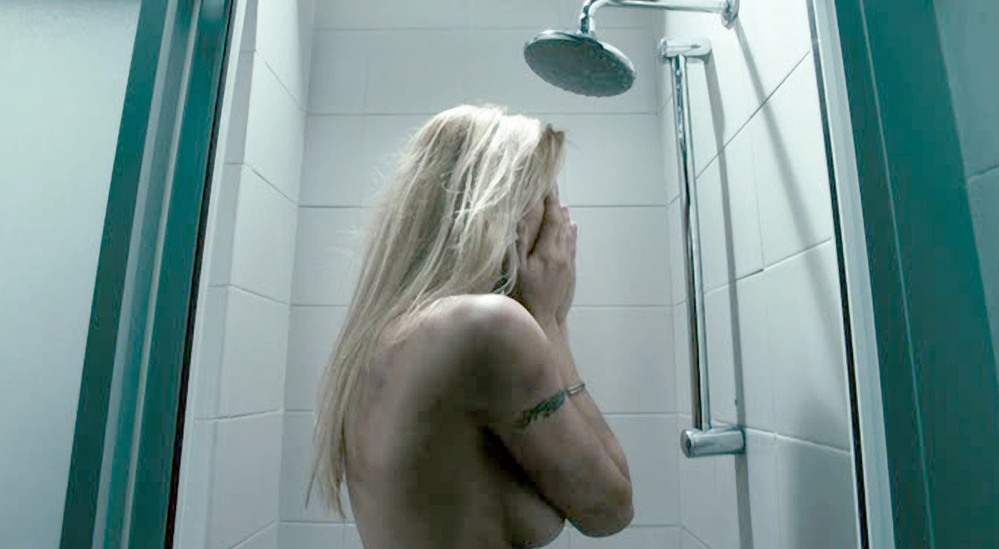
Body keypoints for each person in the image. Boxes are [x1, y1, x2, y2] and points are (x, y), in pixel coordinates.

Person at [310, 104, 634, 548]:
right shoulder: (487, 328)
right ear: (504, 211)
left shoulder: (379, 338)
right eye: (546, 198)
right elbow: (611, 508)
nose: (558, 220)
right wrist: (550, 319)